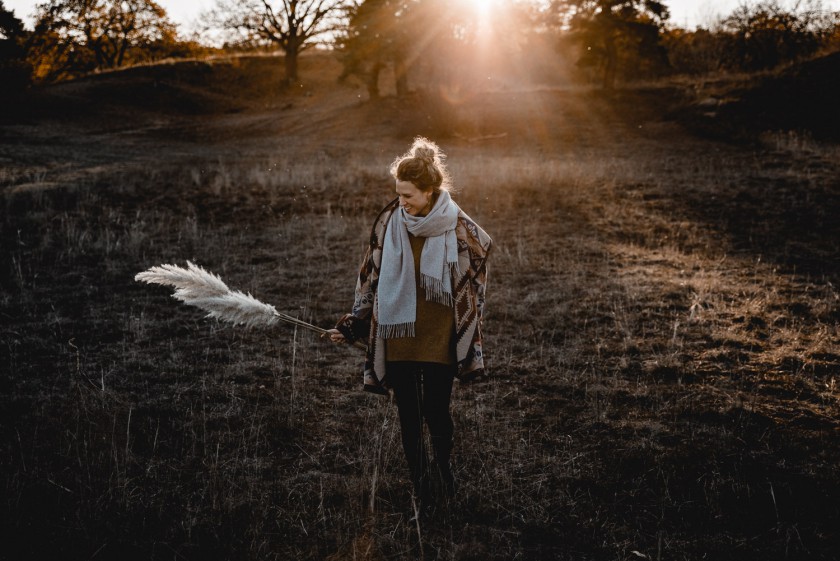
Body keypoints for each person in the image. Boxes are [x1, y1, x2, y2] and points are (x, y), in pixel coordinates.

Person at [327, 137, 492, 512]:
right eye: (399, 194)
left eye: (410, 195)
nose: (402, 202)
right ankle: (420, 483)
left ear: (431, 191)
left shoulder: (456, 224)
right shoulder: (388, 223)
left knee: (436, 411)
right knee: (409, 415)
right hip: (398, 333)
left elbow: (482, 254)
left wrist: (472, 310)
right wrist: (354, 323)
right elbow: (370, 277)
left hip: (439, 334)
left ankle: (443, 471)